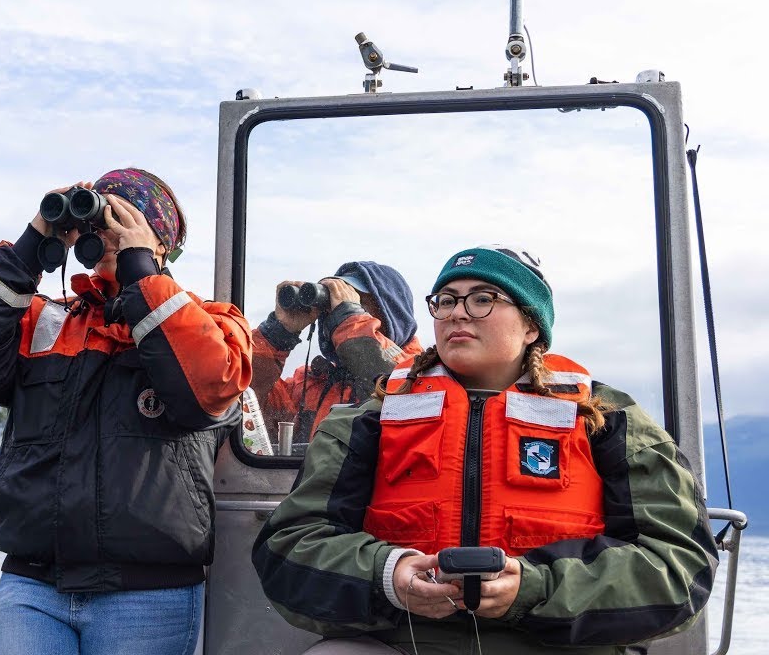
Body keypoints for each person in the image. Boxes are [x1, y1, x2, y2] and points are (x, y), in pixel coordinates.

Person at [251, 245, 717, 654]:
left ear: (532, 326)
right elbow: (289, 548)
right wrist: (389, 576)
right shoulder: (371, 419)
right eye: (446, 301)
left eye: (482, 300)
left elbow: (680, 567)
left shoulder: (606, 418)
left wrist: (535, 588)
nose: (456, 313)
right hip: (406, 639)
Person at [0, 167, 253, 655]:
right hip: (33, 585)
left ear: (158, 241)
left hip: (147, 591)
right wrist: (30, 245)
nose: (102, 230)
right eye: (96, 217)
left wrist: (141, 271)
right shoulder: (45, 319)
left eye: (120, 218)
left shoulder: (212, 321)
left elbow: (207, 388)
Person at [251, 262, 422, 444]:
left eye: (356, 303)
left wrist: (351, 321)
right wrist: (276, 334)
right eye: (332, 305)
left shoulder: (422, 373)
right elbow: (243, 401)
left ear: (392, 312)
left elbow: (399, 393)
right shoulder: (311, 384)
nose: (336, 312)